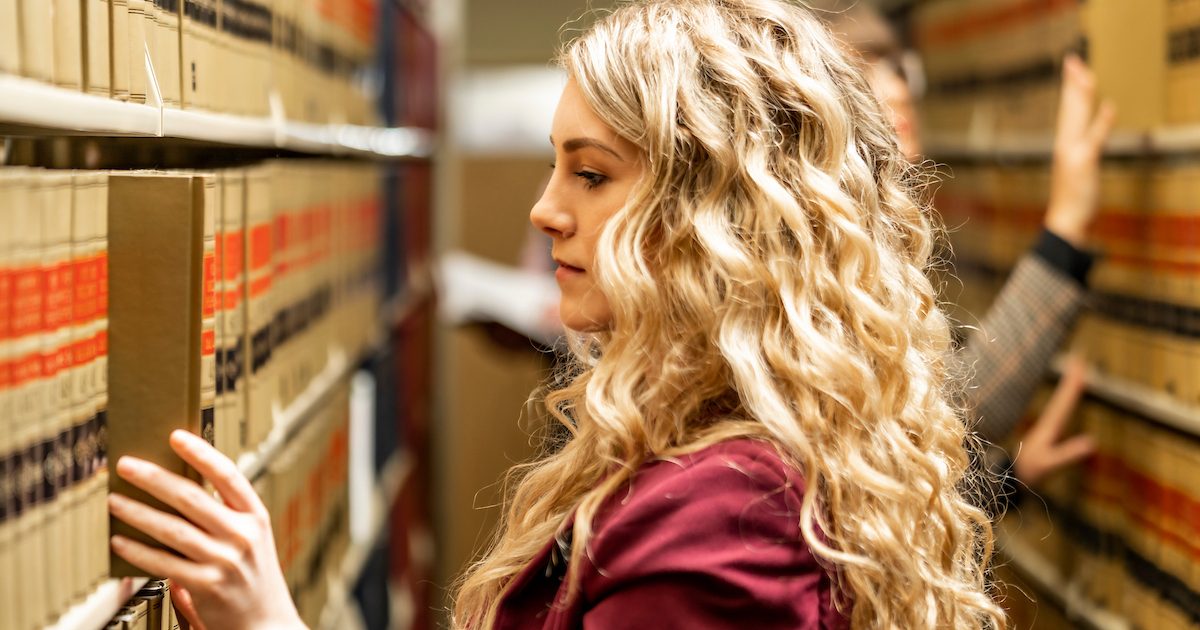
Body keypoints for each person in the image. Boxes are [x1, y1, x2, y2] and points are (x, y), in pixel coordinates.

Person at [106, 1, 1109, 628]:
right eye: (555, 164)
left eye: (590, 174)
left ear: (719, 214)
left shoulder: (723, 523)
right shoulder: (734, 453)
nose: (545, 209)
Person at [820, 3, 1115, 491]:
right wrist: (1065, 223)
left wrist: (1003, 484)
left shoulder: (872, 236)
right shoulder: (812, 247)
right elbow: (957, 410)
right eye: (864, 68)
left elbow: (882, 464)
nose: (896, 89)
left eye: (898, 67)